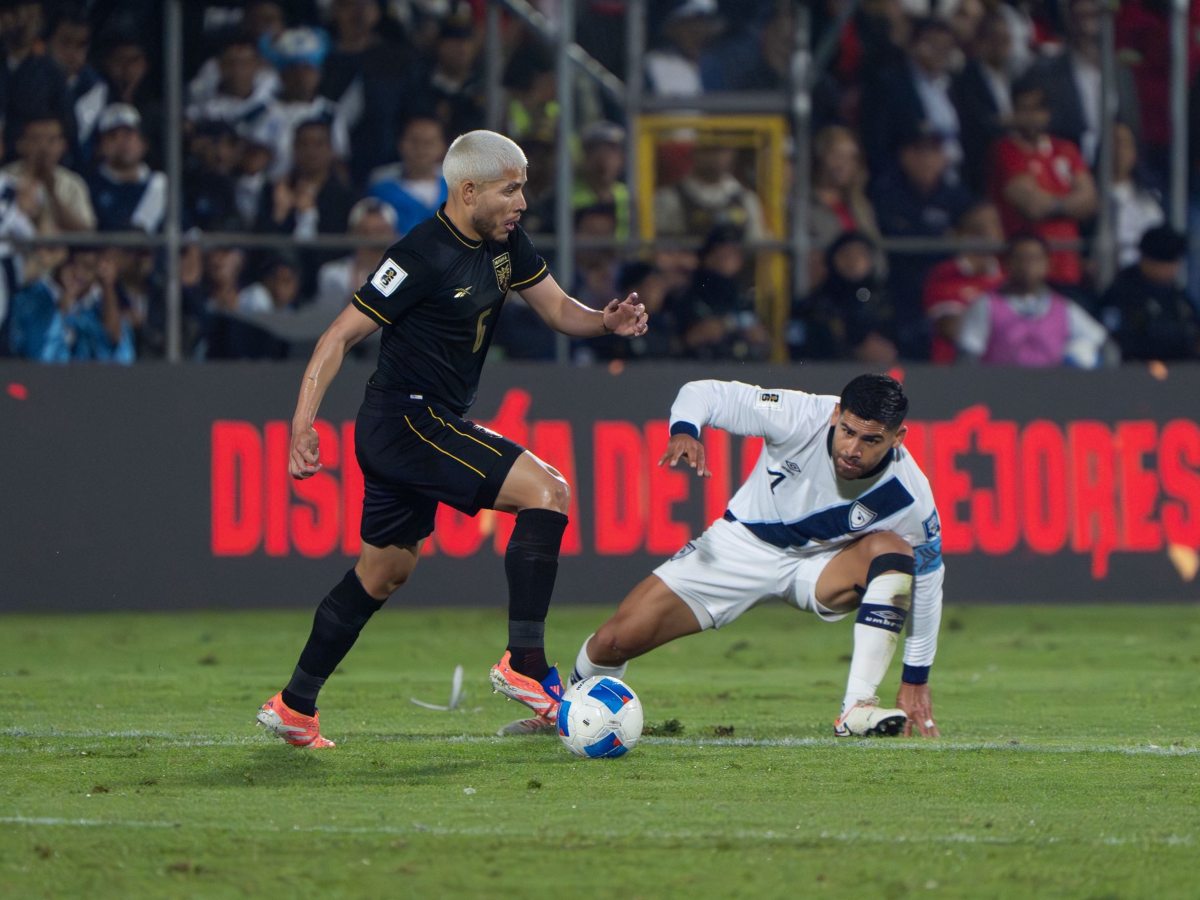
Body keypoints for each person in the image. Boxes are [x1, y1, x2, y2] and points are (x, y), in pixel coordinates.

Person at [255, 130, 649, 748]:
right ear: (468, 191)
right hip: (407, 422)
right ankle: (524, 664)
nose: (522, 201)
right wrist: (302, 422)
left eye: (523, 186)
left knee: (384, 571)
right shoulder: (420, 255)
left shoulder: (506, 242)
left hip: (421, 422)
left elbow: (555, 309)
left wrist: (604, 321)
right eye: (510, 188)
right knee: (548, 493)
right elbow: (337, 337)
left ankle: (294, 703)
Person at [511, 373, 945, 738]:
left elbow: (929, 578)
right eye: (848, 431)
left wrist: (916, 677)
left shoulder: (911, 494)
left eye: (872, 440)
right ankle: (566, 713)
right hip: (740, 547)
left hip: (821, 567)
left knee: (894, 550)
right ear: (836, 414)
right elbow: (705, 393)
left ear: (897, 437)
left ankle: (857, 707)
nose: (853, 449)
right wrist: (685, 429)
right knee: (615, 639)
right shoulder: (800, 414)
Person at [957, 233, 1112, 367]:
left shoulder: (1064, 308)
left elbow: (1104, 344)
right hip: (998, 393)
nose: (1027, 266)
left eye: (1035, 259)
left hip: (1052, 394)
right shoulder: (986, 305)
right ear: (1007, 263)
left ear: (1047, 264)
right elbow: (968, 354)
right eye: (1021, 259)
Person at [1098, 224, 1200, 361]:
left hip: (1181, 371)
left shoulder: (1179, 297)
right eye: (1166, 262)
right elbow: (1120, 335)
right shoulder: (1123, 292)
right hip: (1133, 371)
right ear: (1147, 260)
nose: (1172, 269)